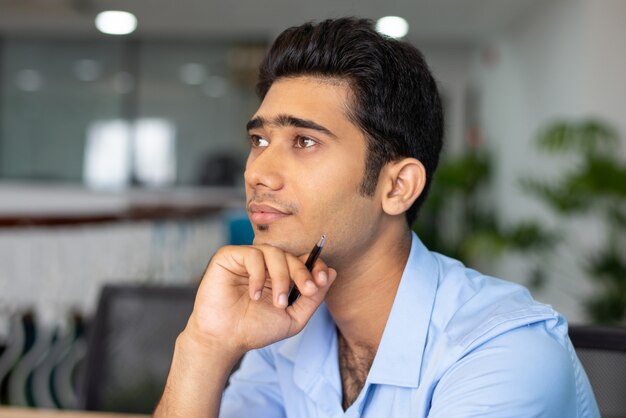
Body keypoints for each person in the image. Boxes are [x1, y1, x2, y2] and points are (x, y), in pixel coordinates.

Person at [154, 18, 599, 417]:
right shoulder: (283, 333)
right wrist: (204, 347)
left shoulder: (502, 353)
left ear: (397, 186)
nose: (257, 173)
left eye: (305, 141)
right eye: (259, 140)